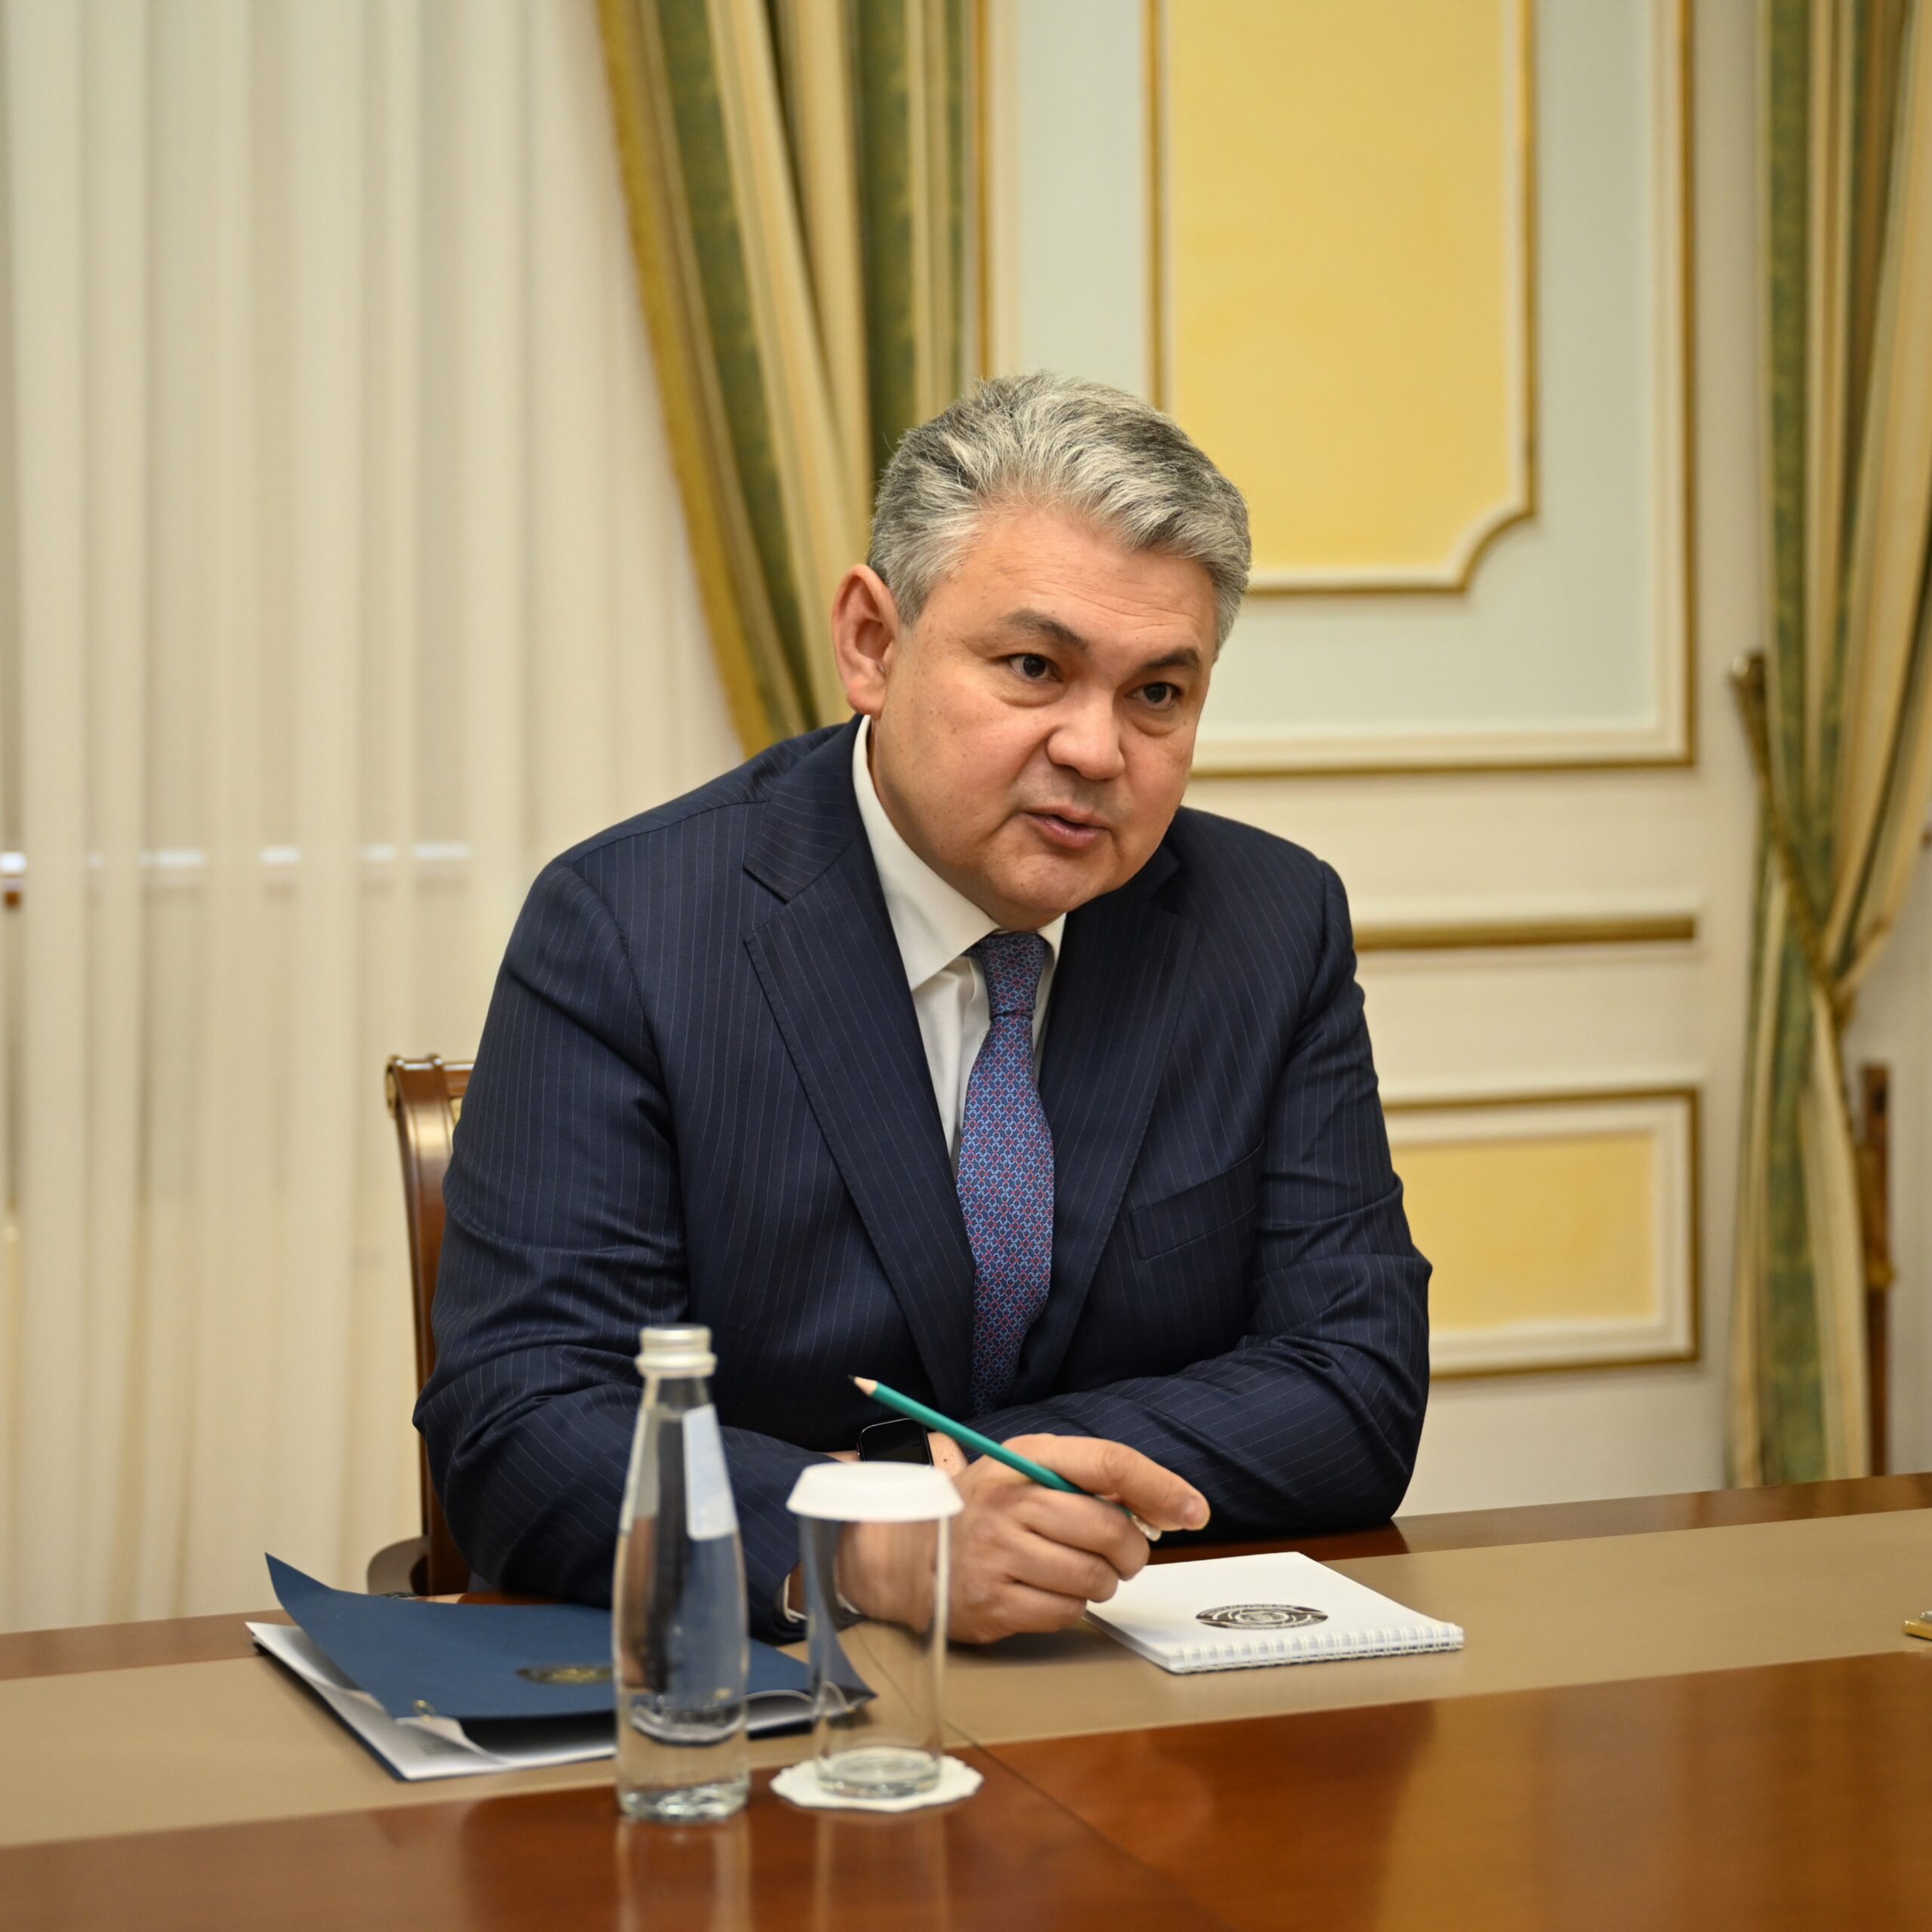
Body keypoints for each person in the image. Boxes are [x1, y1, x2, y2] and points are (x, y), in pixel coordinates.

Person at [417, 372, 1430, 1643]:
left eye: (1157, 696)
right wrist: (870, 1543)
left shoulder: (1269, 925)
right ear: (872, 644)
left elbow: (1353, 1383)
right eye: (1033, 667)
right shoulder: (630, 928)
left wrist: (955, 1489)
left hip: (1136, 1681)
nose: (1097, 750)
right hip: (770, 1690)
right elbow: (520, 1422)